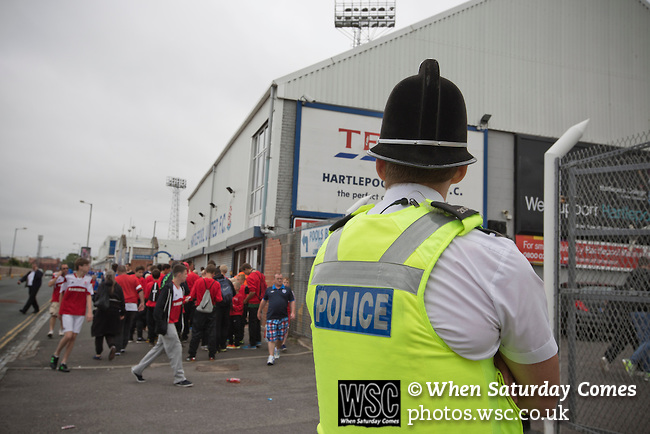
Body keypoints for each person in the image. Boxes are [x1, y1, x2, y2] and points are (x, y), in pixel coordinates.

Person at [306, 59, 559, 432]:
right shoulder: (493, 261)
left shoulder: (332, 247)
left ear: (379, 166)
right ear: (460, 171)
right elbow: (542, 402)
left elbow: (366, 392)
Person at [131, 264, 193, 387]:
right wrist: (161, 325)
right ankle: (179, 378)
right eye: (186, 274)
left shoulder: (180, 289)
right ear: (179, 275)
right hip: (167, 323)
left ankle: (138, 369)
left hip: (171, 323)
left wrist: (183, 301)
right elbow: (159, 309)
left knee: (158, 348)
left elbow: (175, 306)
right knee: (176, 348)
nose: (187, 276)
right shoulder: (168, 288)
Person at [601, 256, 650, 371]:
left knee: (627, 337)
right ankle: (636, 363)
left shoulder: (631, 275)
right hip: (643, 310)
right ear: (648, 265)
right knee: (642, 339)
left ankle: (608, 357)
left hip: (630, 311)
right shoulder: (647, 275)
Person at [49, 258, 94, 373]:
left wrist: (89, 312)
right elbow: (61, 294)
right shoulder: (68, 278)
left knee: (73, 337)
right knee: (68, 335)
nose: (88, 267)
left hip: (79, 312)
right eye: (87, 265)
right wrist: (59, 310)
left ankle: (64, 362)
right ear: (80, 266)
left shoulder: (88, 280)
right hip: (67, 310)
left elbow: (89, 296)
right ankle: (56, 354)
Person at [186, 263, 222, 361]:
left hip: (199, 309)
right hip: (212, 310)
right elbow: (219, 299)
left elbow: (192, 295)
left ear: (205, 271)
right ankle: (211, 355)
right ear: (214, 273)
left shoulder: (198, 281)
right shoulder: (216, 284)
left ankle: (192, 355)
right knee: (211, 332)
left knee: (196, 332)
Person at [258, 274, 295, 365]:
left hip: (283, 317)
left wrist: (293, 312)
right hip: (271, 317)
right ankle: (271, 356)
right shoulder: (269, 290)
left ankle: (277, 349)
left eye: (281, 279)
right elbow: (264, 301)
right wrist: (259, 311)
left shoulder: (287, 290)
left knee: (280, 337)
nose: (279, 280)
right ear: (274, 279)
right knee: (271, 338)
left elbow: (292, 301)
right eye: (278, 279)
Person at [90, 271, 125, 361]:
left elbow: (97, 297)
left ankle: (98, 354)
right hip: (114, 312)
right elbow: (122, 301)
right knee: (110, 333)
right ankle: (112, 346)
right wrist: (122, 313)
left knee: (99, 333)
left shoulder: (102, 285)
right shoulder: (117, 287)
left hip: (102, 311)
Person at [115, 264, 144, 354]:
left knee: (119, 326)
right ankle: (124, 345)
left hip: (121, 305)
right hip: (132, 305)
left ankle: (118, 347)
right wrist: (142, 302)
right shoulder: (133, 279)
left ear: (118, 271)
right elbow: (140, 290)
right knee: (128, 326)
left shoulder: (116, 280)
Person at [241, 263, 267, 348]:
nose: (245, 274)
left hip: (253, 302)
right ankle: (258, 340)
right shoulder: (261, 275)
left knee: (252, 323)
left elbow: (252, 291)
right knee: (257, 321)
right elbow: (265, 286)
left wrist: (246, 300)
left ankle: (252, 343)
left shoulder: (251, 277)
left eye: (244, 272)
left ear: (246, 269)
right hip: (260, 301)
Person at [46, 264, 69, 337]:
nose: (65, 270)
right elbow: (49, 284)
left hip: (65, 300)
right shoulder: (56, 276)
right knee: (53, 315)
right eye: (63, 268)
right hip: (56, 299)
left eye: (66, 268)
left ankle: (61, 329)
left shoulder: (69, 277)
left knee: (62, 316)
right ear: (60, 269)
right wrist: (57, 277)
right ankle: (51, 330)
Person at [143, 268, 162, 344]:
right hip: (158, 305)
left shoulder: (149, 284)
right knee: (157, 321)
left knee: (150, 322)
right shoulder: (161, 284)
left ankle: (150, 338)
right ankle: (157, 336)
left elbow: (147, 295)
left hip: (150, 305)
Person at [227, 274, 246, 349]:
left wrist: (234, 307)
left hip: (237, 314)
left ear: (237, 288)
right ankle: (231, 342)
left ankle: (237, 343)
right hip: (231, 314)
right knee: (230, 328)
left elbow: (240, 306)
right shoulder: (231, 295)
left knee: (237, 329)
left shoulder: (240, 296)